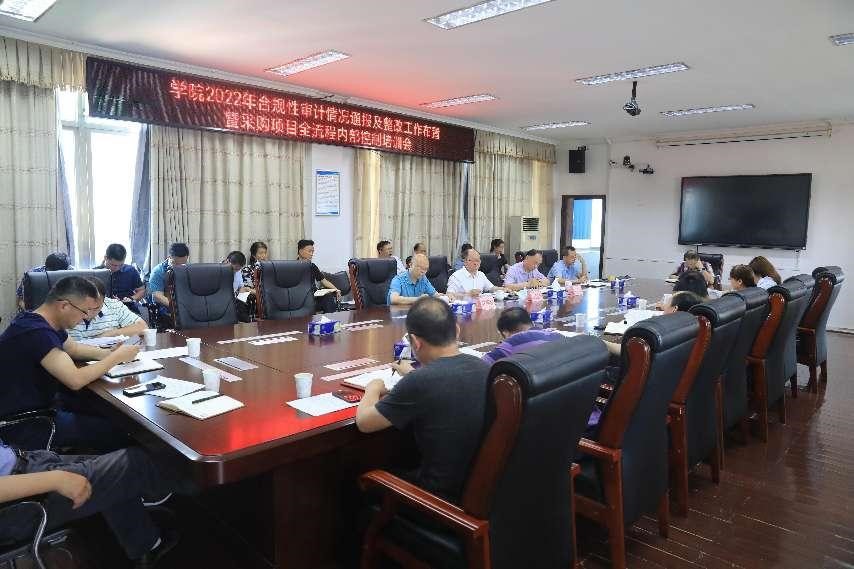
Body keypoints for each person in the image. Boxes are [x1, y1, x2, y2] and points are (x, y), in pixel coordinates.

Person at [355, 297, 489, 501]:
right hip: (479, 492)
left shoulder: (421, 381)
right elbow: (443, 383)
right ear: (457, 330)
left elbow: (365, 422)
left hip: (437, 500)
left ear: (415, 342)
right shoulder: (484, 367)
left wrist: (373, 388)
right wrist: (412, 375)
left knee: (357, 482)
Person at [0, 276, 140, 451]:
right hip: (26, 423)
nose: (86, 317)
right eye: (84, 311)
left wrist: (109, 353)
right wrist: (116, 358)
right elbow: (75, 380)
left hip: (43, 405)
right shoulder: (36, 332)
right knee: (124, 431)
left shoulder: (38, 320)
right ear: (64, 306)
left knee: (109, 415)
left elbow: (74, 348)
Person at [0, 444, 179, 568]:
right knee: (136, 463)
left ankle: (146, 547)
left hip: (22, 463)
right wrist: (56, 480)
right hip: (17, 502)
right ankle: (181, 488)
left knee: (112, 470)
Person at [67, 278, 147, 340]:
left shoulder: (113, 305)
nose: (88, 314)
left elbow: (142, 327)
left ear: (104, 300)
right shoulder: (68, 310)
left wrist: (109, 335)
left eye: (95, 308)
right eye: (84, 308)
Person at [481, 307, 562, 364]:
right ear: (531, 322)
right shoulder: (556, 336)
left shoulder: (511, 344)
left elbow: (482, 364)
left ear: (505, 332)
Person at [94, 244, 145, 314]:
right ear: (106, 258)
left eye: (121, 265)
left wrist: (131, 298)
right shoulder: (95, 273)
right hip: (102, 310)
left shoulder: (130, 271)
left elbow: (141, 290)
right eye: (113, 265)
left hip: (127, 308)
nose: (117, 268)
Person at [147, 243, 190, 320]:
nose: (179, 267)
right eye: (176, 264)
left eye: (182, 264)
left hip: (183, 303)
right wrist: (177, 307)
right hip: (165, 305)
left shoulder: (188, 269)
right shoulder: (158, 271)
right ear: (169, 257)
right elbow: (158, 297)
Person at [297, 239, 341, 313]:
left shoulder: (312, 266)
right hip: (300, 298)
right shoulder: (292, 267)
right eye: (309, 251)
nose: (311, 254)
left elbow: (324, 281)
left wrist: (336, 290)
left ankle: (331, 319)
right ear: (301, 251)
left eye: (312, 252)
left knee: (328, 296)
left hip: (313, 296)